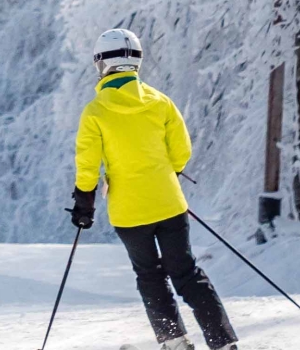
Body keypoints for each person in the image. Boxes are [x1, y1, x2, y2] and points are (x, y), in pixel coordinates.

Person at [69, 29, 239, 350]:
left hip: (129, 212)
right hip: (169, 204)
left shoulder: (96, 112)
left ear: (101, 64)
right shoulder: (160, 102)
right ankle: (223, 342)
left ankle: (174, 341)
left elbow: (87, 167)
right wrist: (164, 175)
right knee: (187, 273)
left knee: (149, 276)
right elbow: (181, 151)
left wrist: (84, 207)